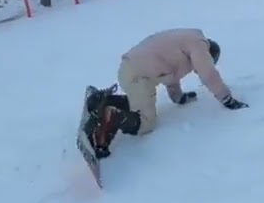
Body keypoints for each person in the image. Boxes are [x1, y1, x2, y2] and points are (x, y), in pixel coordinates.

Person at [84, 28, 248, 158]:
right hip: (138, 76)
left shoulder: (186, 42)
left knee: (138, 102)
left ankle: (104, 101)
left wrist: (178, 97)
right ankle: (111, 116)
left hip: (131, 68)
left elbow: (171, 75)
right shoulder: (199, 46)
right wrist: (227, 99)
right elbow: (208, 73)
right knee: (146, 122)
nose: (196, 71)